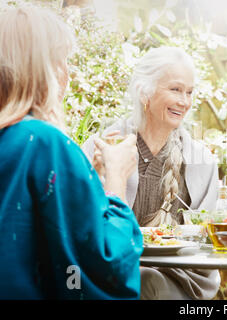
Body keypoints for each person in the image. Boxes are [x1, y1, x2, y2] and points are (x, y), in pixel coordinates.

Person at [0, 5, 142, 299]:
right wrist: (116, 180)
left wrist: (85, 179)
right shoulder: (44, 142)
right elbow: (104, 261)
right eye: (60, 60)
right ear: (39, 68)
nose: (68, 73)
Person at [82, 46, 220, 300]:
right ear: (144, 91)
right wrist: (99, 175)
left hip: (180, 281)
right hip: (111, 275)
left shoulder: (202, 160)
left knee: (146, 280)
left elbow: (208, 242)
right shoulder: (101, 148)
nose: (185, 101)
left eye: (189, 92)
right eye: (175, 89)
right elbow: (81, 229)